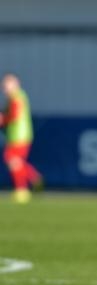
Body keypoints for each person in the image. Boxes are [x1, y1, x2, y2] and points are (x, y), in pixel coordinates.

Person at [0, 74, 43, 204]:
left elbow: (14, 115)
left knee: (12, 159)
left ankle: (22, 190)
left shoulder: (17, 98)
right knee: (15, 161)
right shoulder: (14, 98)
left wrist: (3, 120)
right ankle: (34, 177)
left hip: (20, 135)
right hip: (16, 135)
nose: (5, 89)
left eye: (7, 86)